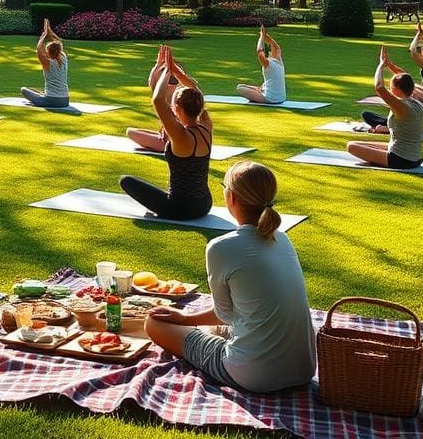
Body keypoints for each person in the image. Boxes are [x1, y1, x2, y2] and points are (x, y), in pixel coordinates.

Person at [145, 161, 316, 393]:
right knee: (218, 327)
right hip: (303, 369)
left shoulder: (220, 247)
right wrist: (188, 319)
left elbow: (225, 314)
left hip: (253, 375)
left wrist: (184, 319)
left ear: (232, 197)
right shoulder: (283, 238)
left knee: (154, 323)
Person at [120, 45, 213, 220]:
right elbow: (196, 91)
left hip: (180, 208)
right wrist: (177, 73)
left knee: (126, 181)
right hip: (205, 204)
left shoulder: (180, 136)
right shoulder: (206, 128)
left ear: (177, 108)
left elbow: (157, 99)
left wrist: (166, 71)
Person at [349, 46, 423, 169]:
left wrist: (380, 66)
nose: (389, 89)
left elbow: (379, 87)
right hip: (417, 158)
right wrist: (389, 65)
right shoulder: (417, 103)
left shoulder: (402, 106)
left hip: (401, 159)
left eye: (391, 87)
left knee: (351, 146)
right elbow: (406, 78)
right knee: (359, 143)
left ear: (397, 89)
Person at [20, 18, 69, 108]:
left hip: (51, 100)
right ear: (59, 50)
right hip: (65, 100)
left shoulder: (48, 63)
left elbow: (39, 51)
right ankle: (42, 95)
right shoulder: (64, 58)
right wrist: (49, 31)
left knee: (23, 90)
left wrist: (43, 36)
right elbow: (58, 42)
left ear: (48, 52)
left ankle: (41, 98)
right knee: (38, 92)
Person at [236, 25, 285, 104]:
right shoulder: (279, 62)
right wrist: (264, 35)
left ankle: (258, 96)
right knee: (243, 85)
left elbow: (259, 51)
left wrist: (262, 37)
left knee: (240, 88)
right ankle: (260, 90)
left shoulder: (267, 63)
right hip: (282, 98)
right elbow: (276, 47)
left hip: (271, 99)